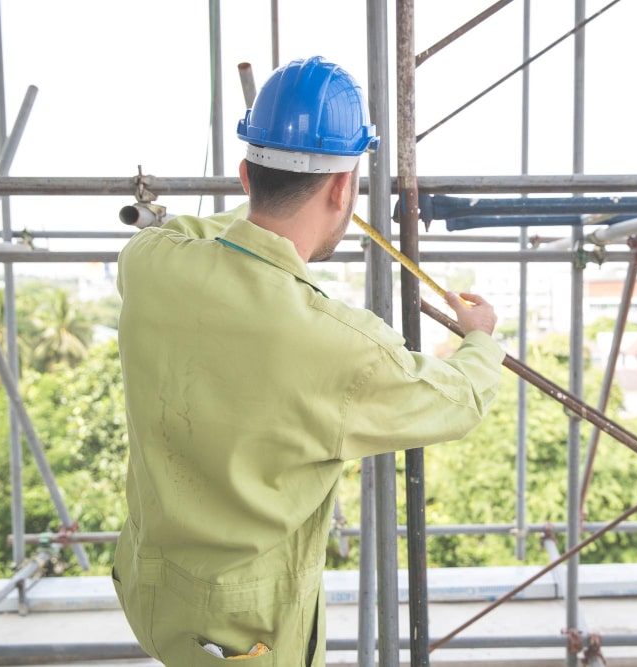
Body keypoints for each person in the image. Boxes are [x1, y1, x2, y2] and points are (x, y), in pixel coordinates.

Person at [112, 56, 504, 667]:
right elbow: (459, 399)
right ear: (344, 187)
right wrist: (481, 339)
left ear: (246, 175)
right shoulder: (341, 345)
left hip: (152, 591)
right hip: (242, 635)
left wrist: (267, 215)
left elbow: (205, 230)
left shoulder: (150, 260)